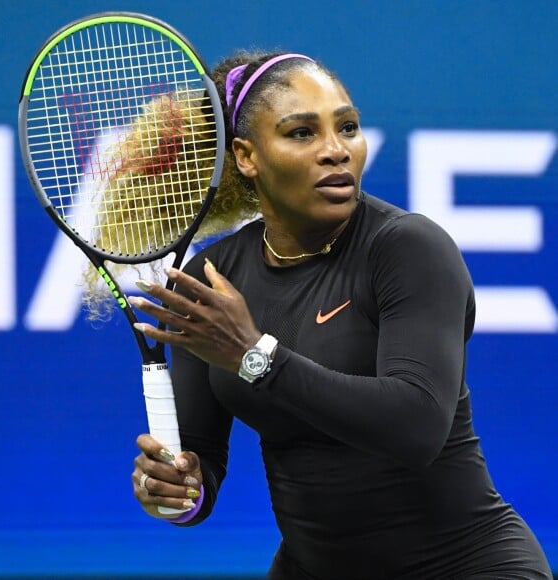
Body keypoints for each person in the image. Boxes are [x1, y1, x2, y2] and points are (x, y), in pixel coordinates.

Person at [126, 51, 553, 579]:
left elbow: (417, 426)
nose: (336, 151)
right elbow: (201, 461)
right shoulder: (215, 275)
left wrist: (254, 355)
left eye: (347, 127)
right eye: (302, 133)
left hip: (467, 567)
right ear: (245, 156)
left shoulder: (407, 248)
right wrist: (177, 489)